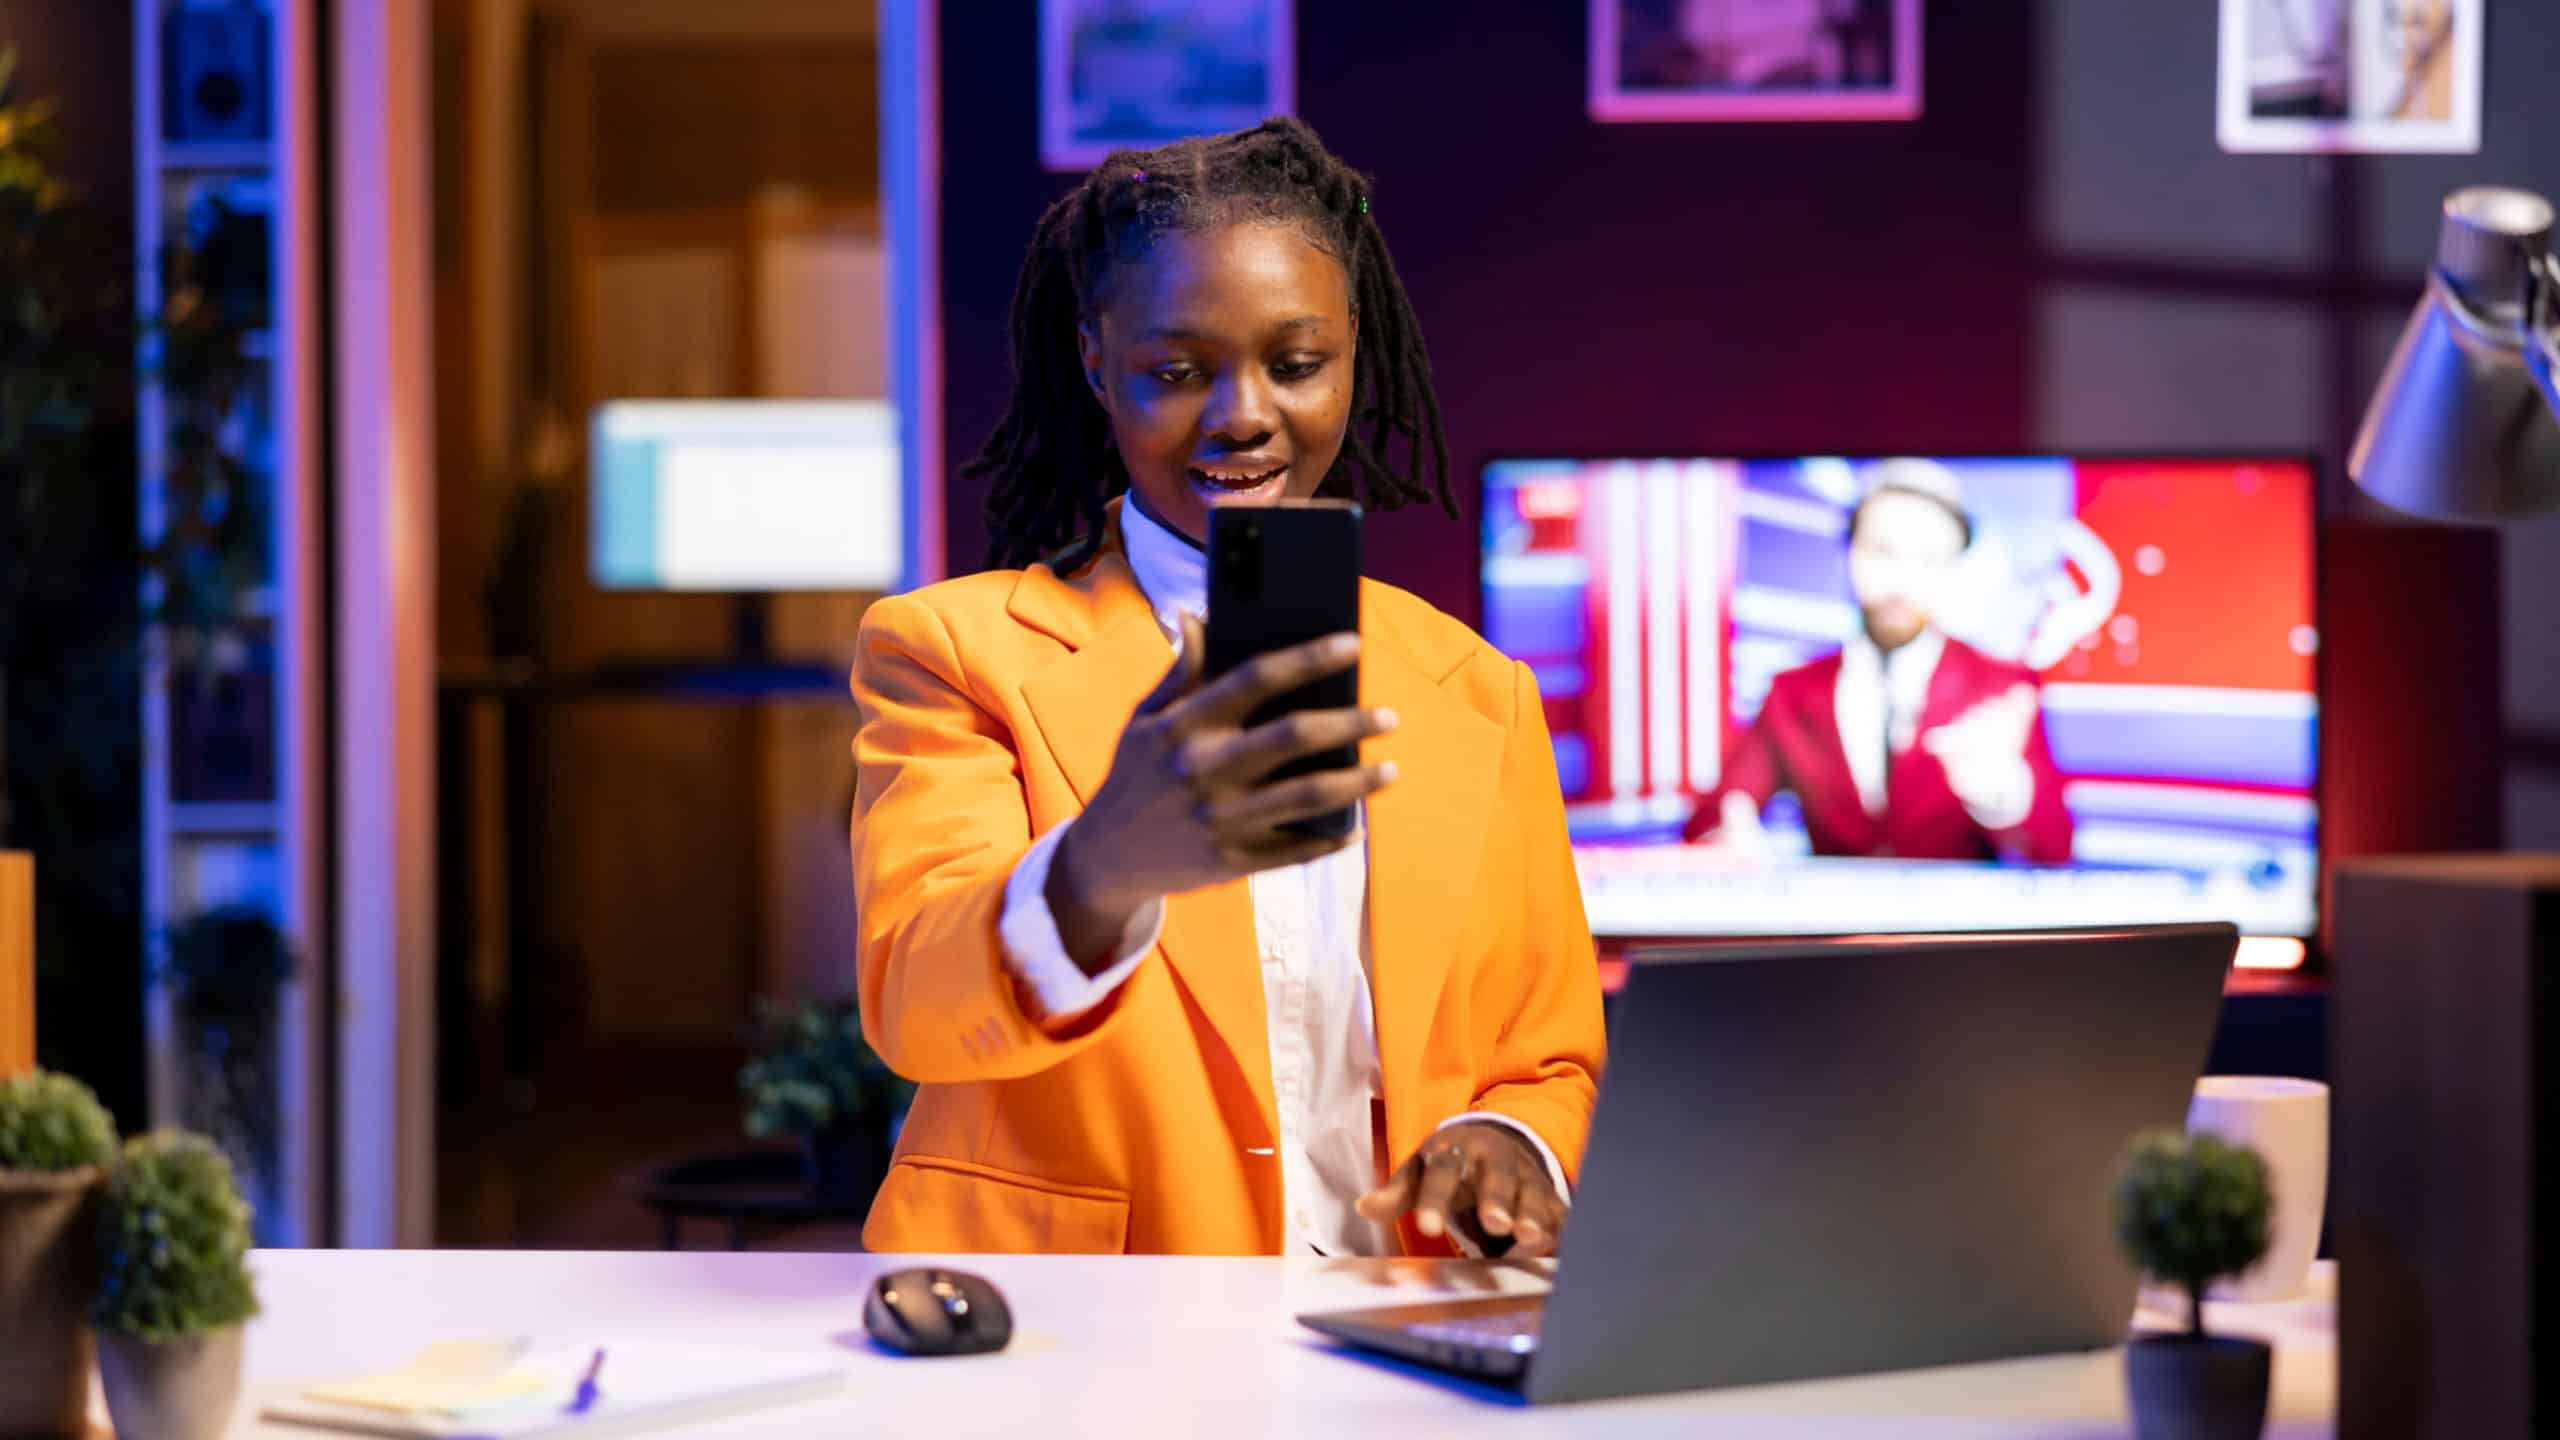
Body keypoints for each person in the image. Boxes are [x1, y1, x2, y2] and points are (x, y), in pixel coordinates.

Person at [848, 119, 1605, 1258]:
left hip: (1392, 1326)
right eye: (1176, 370)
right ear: (1098, 365)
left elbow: (1546, 1054)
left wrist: (1514, 1137)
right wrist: (1102, 864)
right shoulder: (953, 653)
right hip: (1080, 1336)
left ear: (1353, 353)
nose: (1242, 413)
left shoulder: (1476, 691)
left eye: (1296, 364)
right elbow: (916, 999)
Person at [1685, 461, 2074, 864]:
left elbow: (2057, 849)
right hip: (1835, 924)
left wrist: (2004, 793)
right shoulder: (1792, 691)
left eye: (1929, 558)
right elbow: (1712, 820)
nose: (1901, 579)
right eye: (1883, 551)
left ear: (1953, 572)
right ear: (1850, 553)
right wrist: (1728, 838)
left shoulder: (2002, 687)